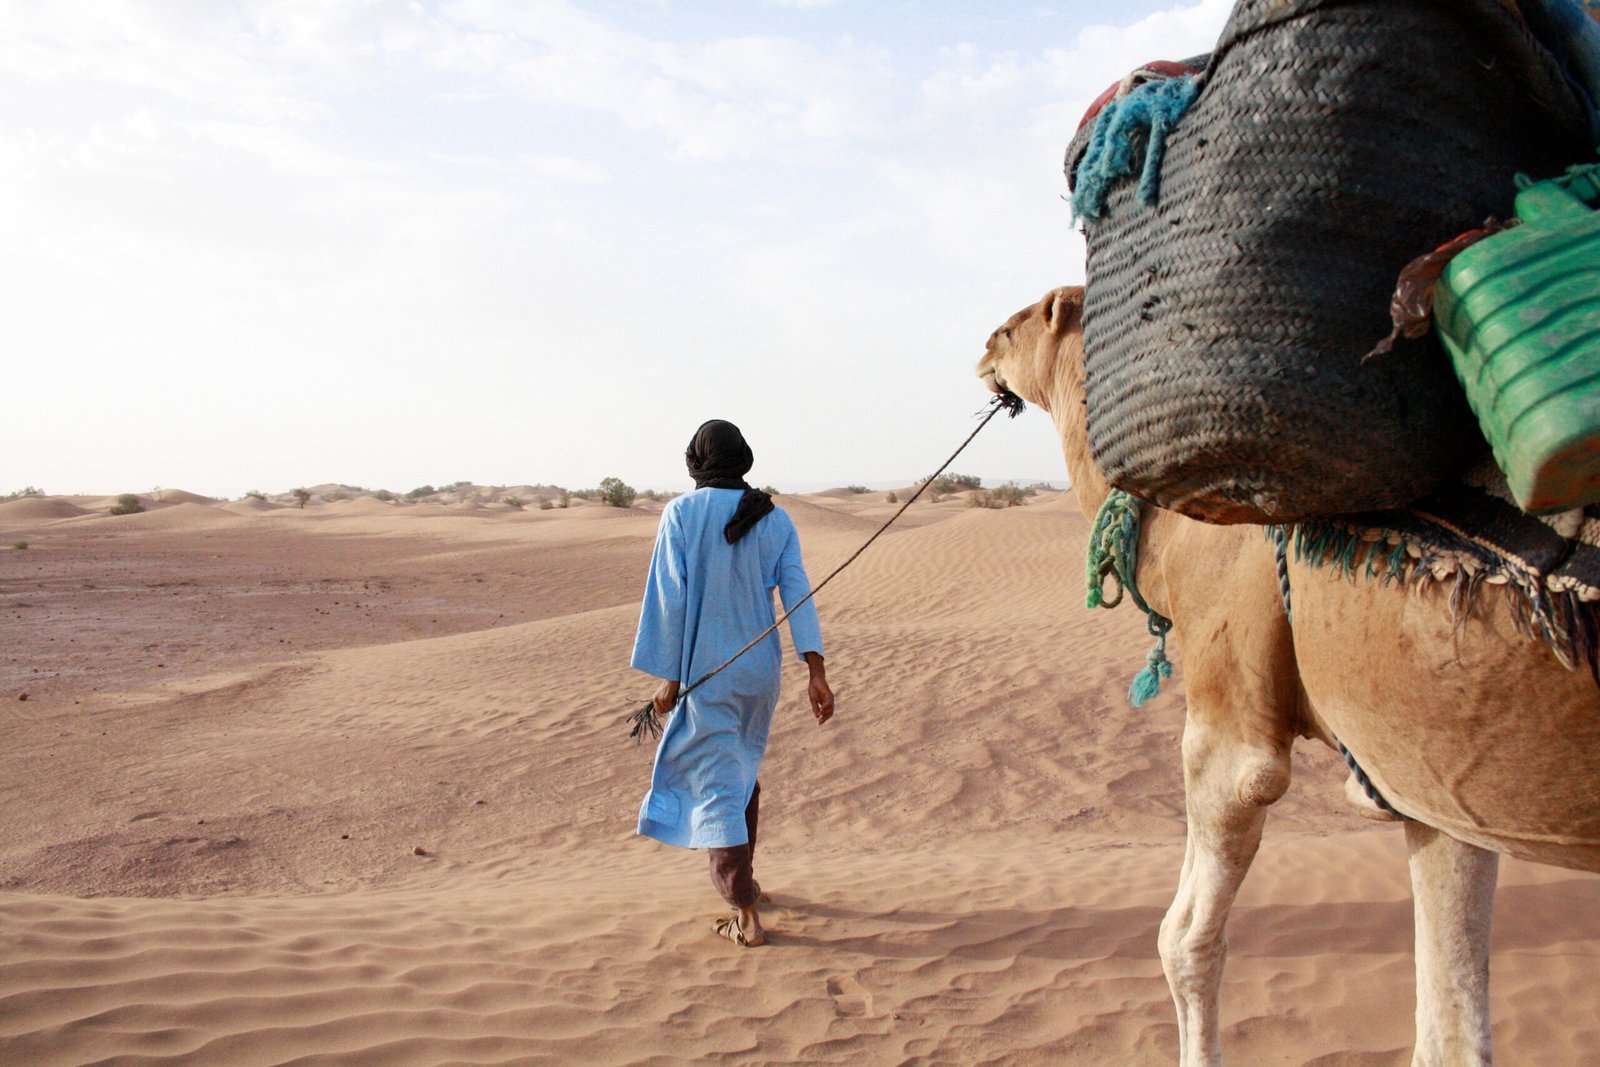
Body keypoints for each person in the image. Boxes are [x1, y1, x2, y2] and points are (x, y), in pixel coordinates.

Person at [631, 419, 835, 948]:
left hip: (707, 673)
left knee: (717, 786)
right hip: (758, 673)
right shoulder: (774, 518)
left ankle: (743, 912)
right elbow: (798, 595)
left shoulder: (681, 514)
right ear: (742, 458)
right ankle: (748, 882)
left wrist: (669, 679)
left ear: (696, 461)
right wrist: (815, 671)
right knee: (739, 772)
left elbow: (669, 601)